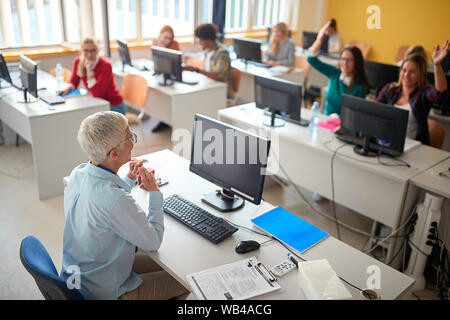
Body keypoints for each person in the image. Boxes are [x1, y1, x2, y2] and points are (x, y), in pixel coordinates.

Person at [61, 111, 188, 300]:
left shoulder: (78, 173)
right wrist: (154, 192)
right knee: (187, 281)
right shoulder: (115, 200)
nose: (133, 143)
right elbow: (153, 241)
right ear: (114, 154)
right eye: (131, 137)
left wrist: (127, 180)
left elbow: (107, 206)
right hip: (105, 293)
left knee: (170, 265)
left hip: (80, 279)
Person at [376, 41, 449, 145]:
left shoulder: (423, 95)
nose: (406, 75)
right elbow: (373, 110)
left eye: (412, 72)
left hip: (412, 146)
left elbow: (440, 92)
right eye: (404, 70)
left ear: (420, 74)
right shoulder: (390, 89)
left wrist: (437, 64)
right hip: (387, 142)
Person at [307, 21, 369, 116]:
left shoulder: (360, 87)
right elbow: (311, 59)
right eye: (343, 59)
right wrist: (319, 39)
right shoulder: (335, 73)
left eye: (349, 60)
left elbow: (354, 115)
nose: (344, 63)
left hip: (342, 126)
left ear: (357, 63)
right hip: (325, 121)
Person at [59, 38, 126, 115]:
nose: (90, 54)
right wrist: (68, 88)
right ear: (81, 51)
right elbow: (74, 82)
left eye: (93, 50)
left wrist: (90, 72)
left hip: (113, 105)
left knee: (84, 116)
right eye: (86, 50)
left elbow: (96, 93)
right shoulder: (78, 62)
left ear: (98, 51)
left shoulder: (106, 66)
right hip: (97, 103)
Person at [183, 23, 234, 100]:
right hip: (210, 87)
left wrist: (197, 70)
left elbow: (217, 76)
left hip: (222, 93)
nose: (199, 43)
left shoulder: (222, 53)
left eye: (200, 40)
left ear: (207, 39)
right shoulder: (208, 51)